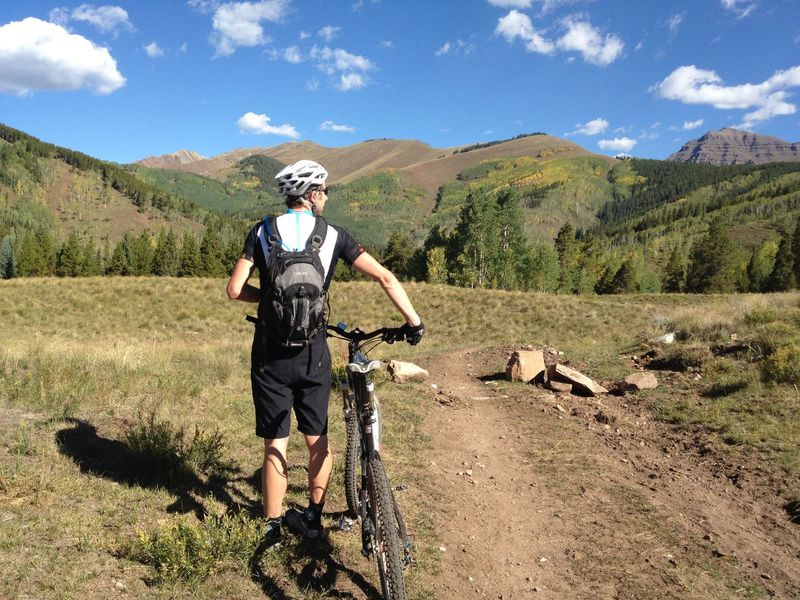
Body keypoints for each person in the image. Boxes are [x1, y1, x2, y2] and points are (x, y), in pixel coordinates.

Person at [226, 159, 424, 541]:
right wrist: (414, 321)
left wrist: (267, 299)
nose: (327, 197)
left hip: (270, 352)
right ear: (313, 194)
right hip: (314, 353)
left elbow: (234, 290)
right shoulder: (333, 235)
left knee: (275, 442)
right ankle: (314, 519)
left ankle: (272, 525)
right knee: (318, 441)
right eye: (326, 191)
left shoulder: (261, 231)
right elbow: (385, 276)